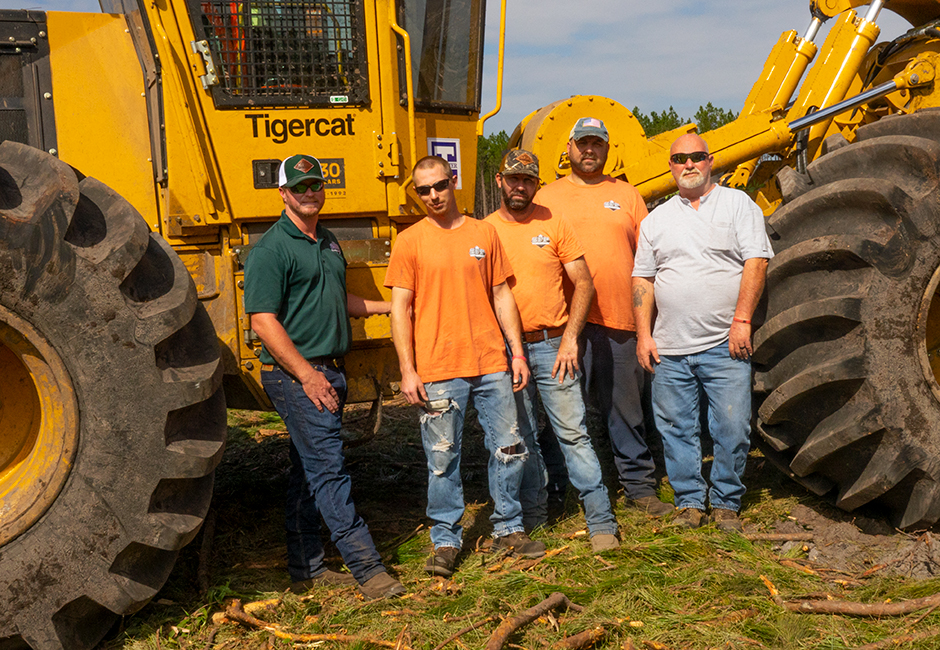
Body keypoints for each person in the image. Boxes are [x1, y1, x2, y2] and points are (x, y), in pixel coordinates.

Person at [244, 154, 406, 599]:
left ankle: (307, 568)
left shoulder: (327, 240)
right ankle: (369, 569)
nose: (310, 192)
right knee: (329, 472)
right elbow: (262, 321)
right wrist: (307, 377)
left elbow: (337, 297)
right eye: (300, 187)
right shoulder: (271, 250)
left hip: (327, 372)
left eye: (315, 184)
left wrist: (388, 307)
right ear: (283, 194)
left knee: (308, 471)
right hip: (299, 377)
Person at [386, 155, 543, 578]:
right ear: (416, 194)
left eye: (439, 185)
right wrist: (408, 369)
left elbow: (502, 296)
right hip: (437, 368)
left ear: (453, 181)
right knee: (442, 460)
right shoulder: (410, 241)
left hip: (492, 362)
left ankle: (509, 527)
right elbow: (399, 309)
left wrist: (518, 352)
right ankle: (445, 539)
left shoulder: (484, 233)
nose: (433, 196)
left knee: (509, 449)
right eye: (424, 190)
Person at [632, 134, 773, 531]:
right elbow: (643, 278)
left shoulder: (737, 205)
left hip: (723, 344)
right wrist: (645, 335)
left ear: (710, 161)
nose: (688, 164)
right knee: (676, 428)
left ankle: (726, 501)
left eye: (696, 157)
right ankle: (690, 501)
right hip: (670, 347)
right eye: (680, 158)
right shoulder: (656, 220)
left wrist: (742, 320)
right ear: (671, 166)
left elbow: (756, 262)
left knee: (731, 426)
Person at [484, 150, 620, 552]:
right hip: (508, 353)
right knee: (519, 437)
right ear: (499, 181)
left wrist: (570, 339)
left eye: (528, 180)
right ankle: (533, 518)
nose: (520, 187)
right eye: (513, 179)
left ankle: (601, 522)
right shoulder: (485, 231)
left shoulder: (554, 223)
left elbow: (584, 282)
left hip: (552, 346)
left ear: (537, 184)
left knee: (573, 434)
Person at [536, 117, 672, 516]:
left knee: (624, 408)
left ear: (607, 149)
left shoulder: (627, 195)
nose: (589, 150)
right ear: (569, 148)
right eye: (582, 143)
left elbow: (648, 258)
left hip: (618, 319)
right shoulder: (547, 196)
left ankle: (639, 488)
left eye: (597, 143)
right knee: (560, 411)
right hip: (564, 326)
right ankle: (555, 492)